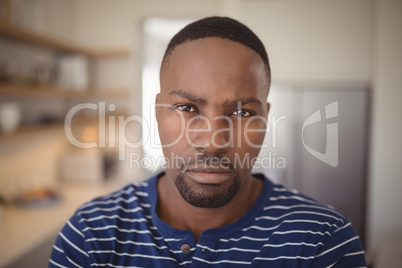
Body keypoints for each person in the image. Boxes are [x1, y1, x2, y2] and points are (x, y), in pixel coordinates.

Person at [49, 17, 366, 267]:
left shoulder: (322, 241)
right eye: (187, 108)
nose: (213, 142)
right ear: (158, 112)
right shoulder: (90, 235)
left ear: (266, 118)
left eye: (242, 112)